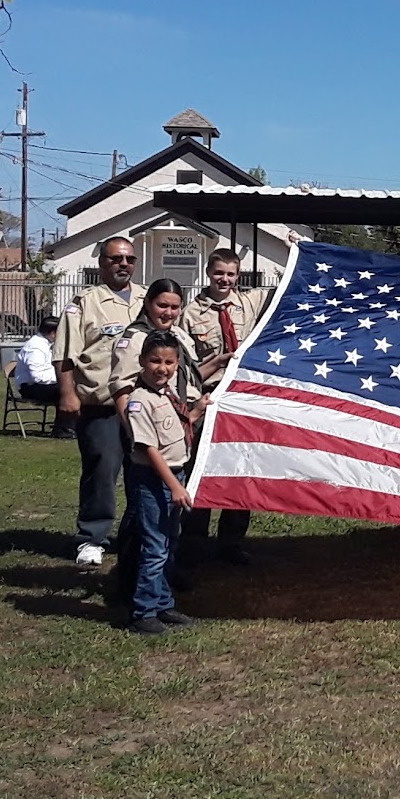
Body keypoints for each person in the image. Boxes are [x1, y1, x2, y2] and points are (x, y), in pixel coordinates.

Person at [55, 236, 156, 567]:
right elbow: (65, 354)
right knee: (101, 471)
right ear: (102, 263)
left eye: (129, 259)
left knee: (143, 472)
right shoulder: (85, 303)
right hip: (102, 407)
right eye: (116, 259)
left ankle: (136, 535)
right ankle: (92, 538)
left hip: (143, 405)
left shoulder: (147, 299)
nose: (123, 264)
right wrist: (68, 394)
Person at [121, 330, 210, 636]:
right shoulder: (139, 400)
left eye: (169, 362)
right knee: (155, 547)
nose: (162, 368)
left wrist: (198, 411)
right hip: (154, 479)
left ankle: (162, 602)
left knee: (170, 543)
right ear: (142, 362)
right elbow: (148, 448)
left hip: (176, 474)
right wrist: (174, 485)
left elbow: (178, 428)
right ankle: (143, 612)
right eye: (155, 361)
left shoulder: (169, 395)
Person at [179, 249, 264, 564]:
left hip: (242, 399)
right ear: (208, 272)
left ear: (237, 276)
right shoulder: (190, 314)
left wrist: (295, 247)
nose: (224, 280)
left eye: (230, 274)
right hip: (208, 396)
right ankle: (194, 540)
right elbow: (185, 368)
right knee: (200, 469)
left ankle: (232, 542)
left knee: (239, 470)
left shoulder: (250, 304)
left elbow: (288, 283)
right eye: (218, 273)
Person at [13, 316, 73, 438]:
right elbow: (38, 376)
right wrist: (63, 379)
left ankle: (71, 426)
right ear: (53, 333)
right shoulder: (35, 347)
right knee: (66, 390)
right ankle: (63, 429)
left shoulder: (46, 345)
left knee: (73, 387)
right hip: (30, 388)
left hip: (42, 385)